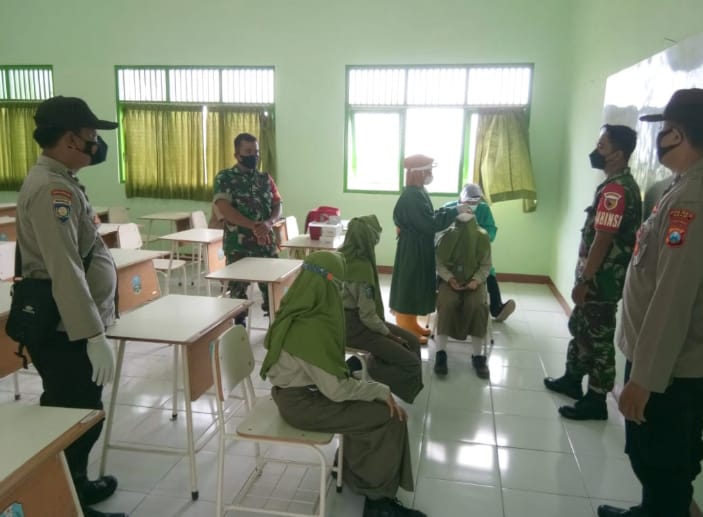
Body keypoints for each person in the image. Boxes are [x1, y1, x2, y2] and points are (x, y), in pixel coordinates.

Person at [15, 96, 126, 517]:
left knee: (79, 411)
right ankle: (65, 502)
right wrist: (92, 334)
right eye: (92, 137)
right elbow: (64, 268)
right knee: (73, 416)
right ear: (69, 139)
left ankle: (75, 485)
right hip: (65, 331)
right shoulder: (51, 188)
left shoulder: (62, 180)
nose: (97, 144)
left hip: (71, 326)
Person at [598, 89, 703, 517]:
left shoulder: (690, 201)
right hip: (657, 357)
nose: (658, 138)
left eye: (664, 131)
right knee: (649, 454)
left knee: (664, 460)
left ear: (676, 134)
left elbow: (673, 298)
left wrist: (644, 377)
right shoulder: (680, 187)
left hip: (670, 369)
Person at [260, 251, 426, 517]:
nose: (340, 293)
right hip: (303, 404)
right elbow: (336, 391)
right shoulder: (310, 327)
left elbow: (323, 375)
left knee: (363, 393)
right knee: (389, 417)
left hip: (294, 393)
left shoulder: (296, 306)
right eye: (339, 285)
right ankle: (378, 503)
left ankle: (352, 470)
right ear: (328, 284)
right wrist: (380, 390)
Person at [544, 124, 641, 421]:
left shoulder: (616, 190)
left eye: (602, 146)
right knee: (581, 328)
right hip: (596, 277)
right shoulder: (613, 185)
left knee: (598, 338)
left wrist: (585, 279)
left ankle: (596, 400)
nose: (596, 151)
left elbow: (603, 238)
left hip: (601, 280)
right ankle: (572, 379)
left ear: (618, 154)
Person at [339, 215, 424, 403]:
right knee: (410, 360)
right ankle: (368, 372)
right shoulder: (360, 269)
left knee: (412, 341)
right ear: (369, 238)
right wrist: (390, 335)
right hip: (354, 327)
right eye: (376, 236)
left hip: (351, 322)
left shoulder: (340, 257)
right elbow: (368, 316)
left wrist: (387, 332)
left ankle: (404, 387)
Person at [389, 154, 464, 344]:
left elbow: (428, 216)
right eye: (428, 171)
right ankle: (404, 327)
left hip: (419, 245)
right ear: (419, 173)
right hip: (413, 247)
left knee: (416, 283)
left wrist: (453, 208)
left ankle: (412, 323)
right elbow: (430, 223)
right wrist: (455, 211)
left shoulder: (419, 191)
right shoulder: (412, 196)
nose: (430, 174)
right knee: (410, 284)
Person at [213, 132, 282, 322]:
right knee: (237, 298)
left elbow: (278, 204)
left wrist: (268, 223)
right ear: (237, 154)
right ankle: (238, 334)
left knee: (273, 293)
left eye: (256, 152)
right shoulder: (225, 178)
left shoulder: (265, 179)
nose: (254, 156)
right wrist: (253, 225)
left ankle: (275, 331)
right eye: (248, 151)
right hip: (239, 246)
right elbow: (224, 208)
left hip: (265, 245)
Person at [444, 183, 516, 321]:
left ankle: (497, 309)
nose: (472, 204)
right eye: (469, 202)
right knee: (442, 272)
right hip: (452, 254)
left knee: (487, 272)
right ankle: (441, 305)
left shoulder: (483, 210)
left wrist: (480, 236)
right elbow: (440, 230)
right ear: (461, 198)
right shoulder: (449, 208)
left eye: (475, 202)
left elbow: (491, 230)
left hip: (475, 253)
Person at [434, 209, 492, 378]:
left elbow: (486, 266)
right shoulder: (446, 237)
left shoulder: (482, 237)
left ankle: (478, 355)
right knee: (446, 303)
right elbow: (439, 264)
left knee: (478, 305)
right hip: (449, 281)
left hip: (475, 282)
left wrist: (476, 280)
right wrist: (450, 278)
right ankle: (441, 353)